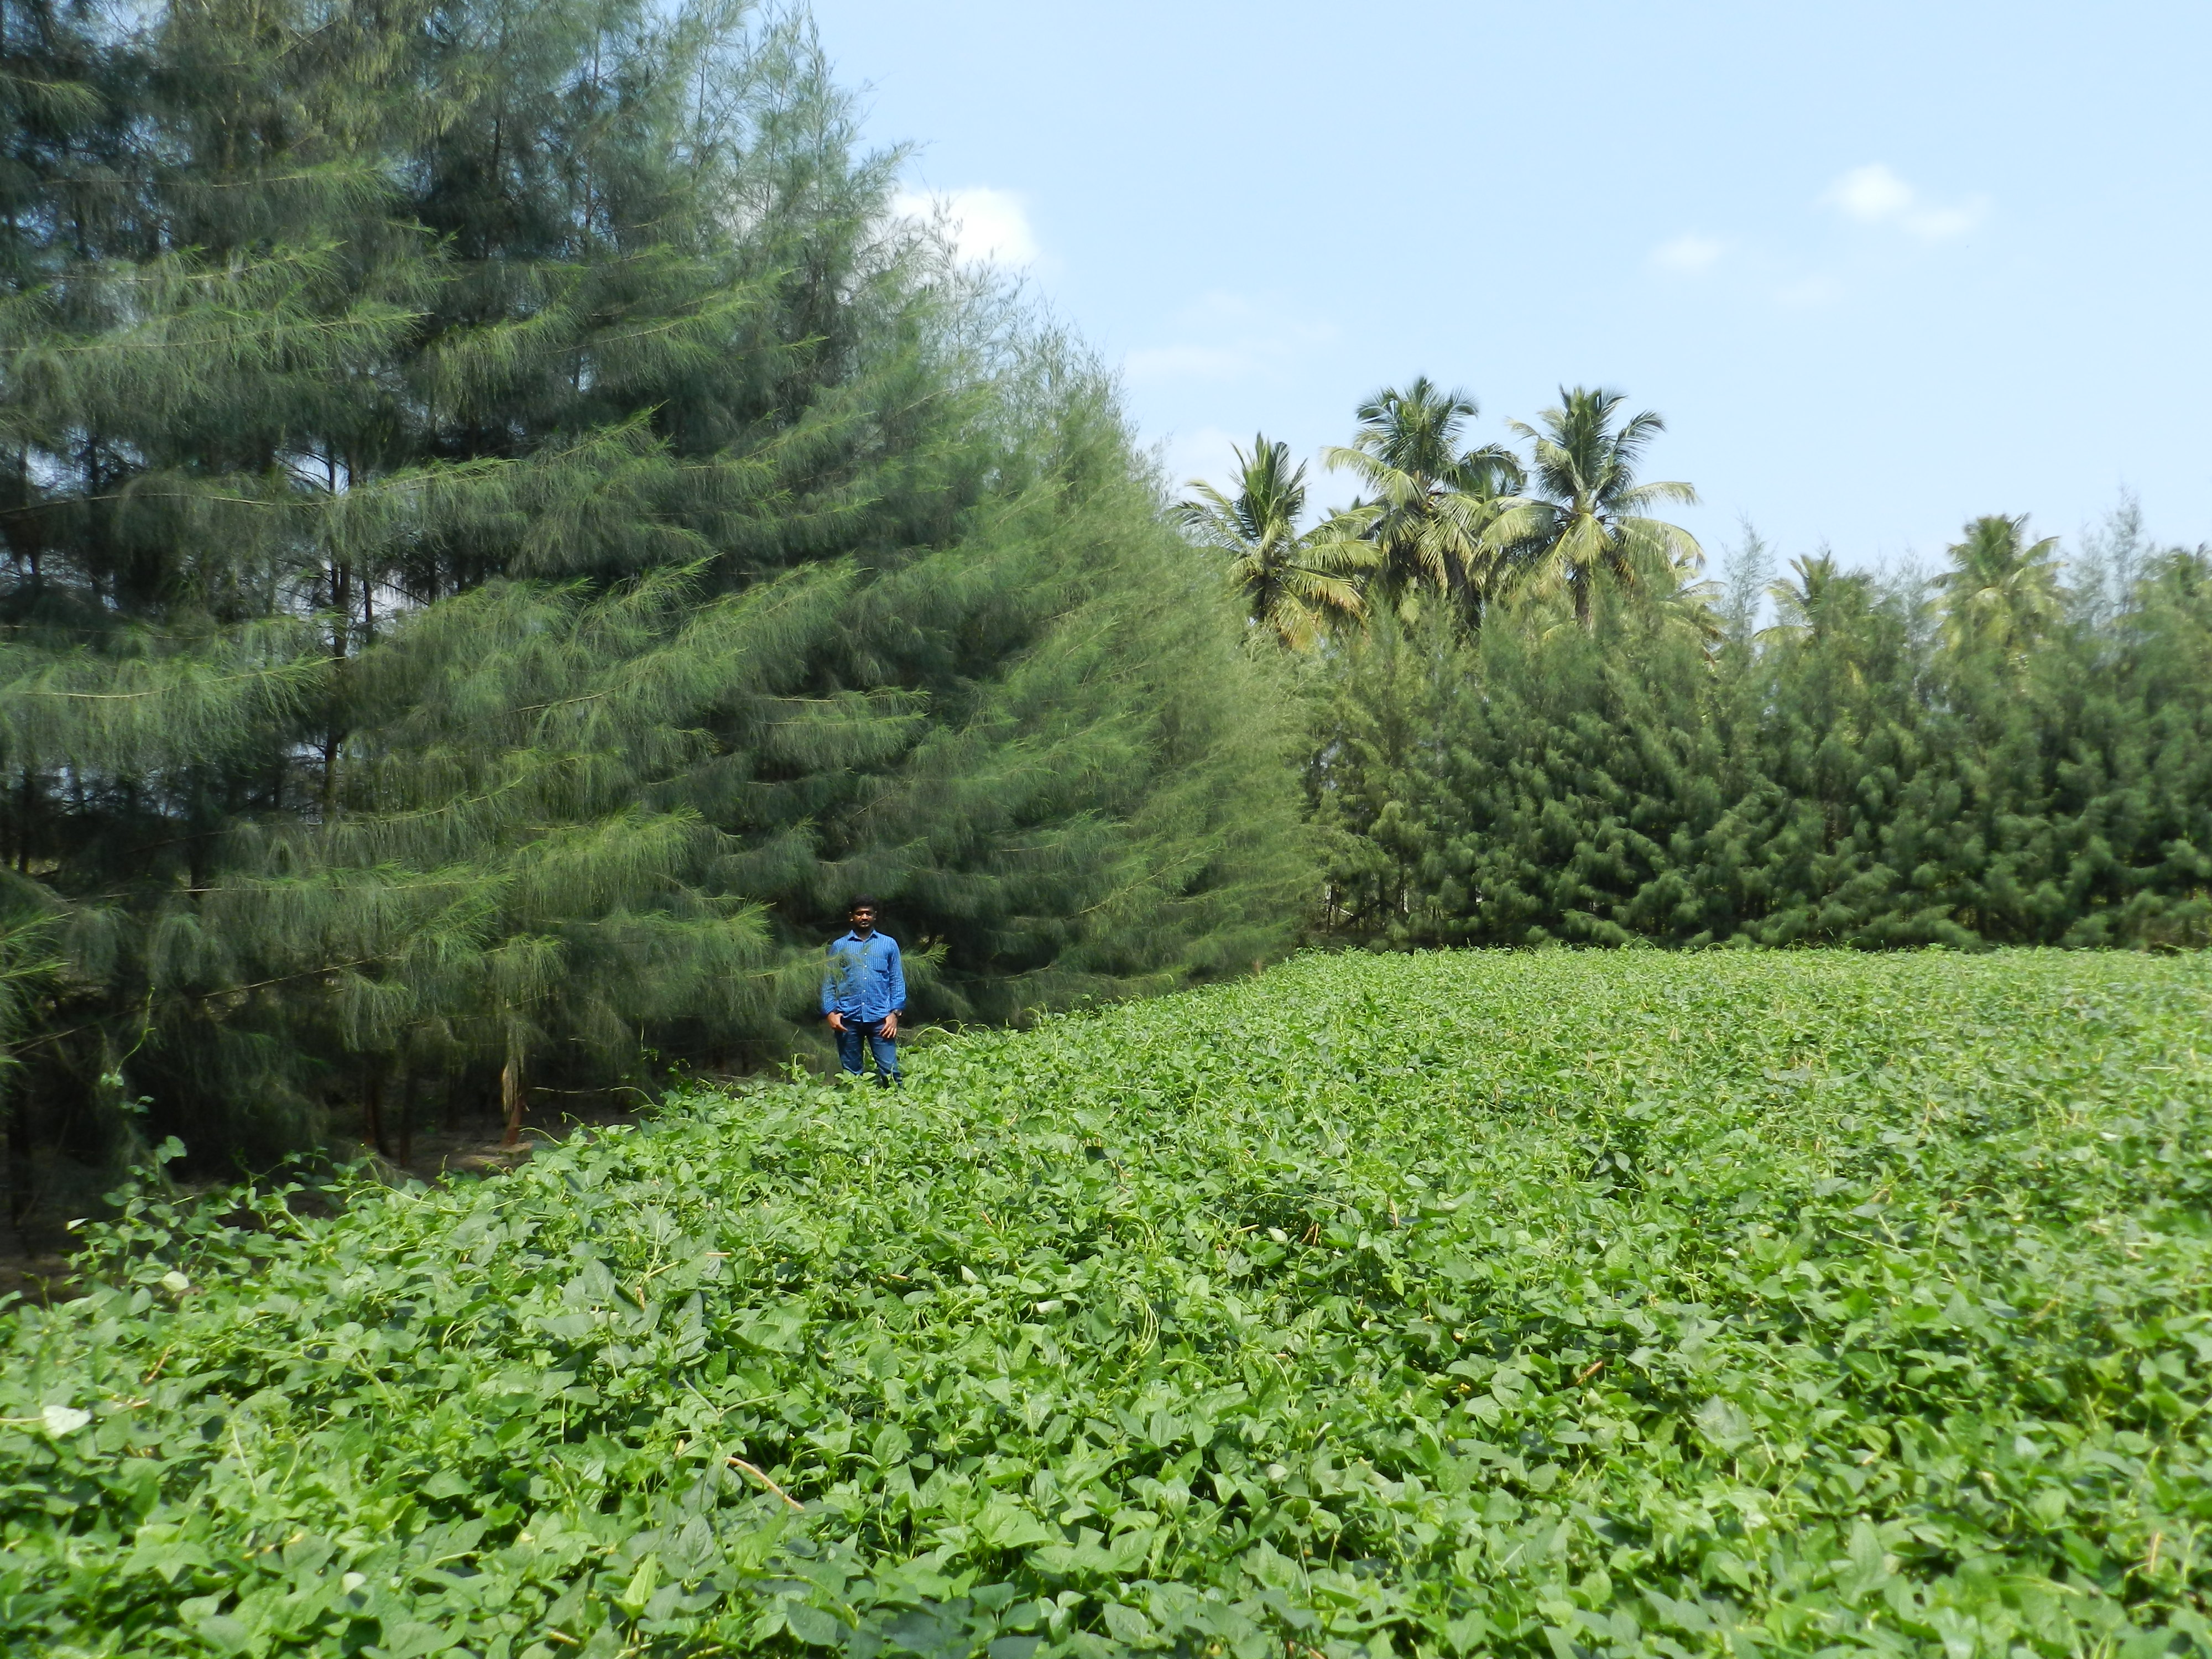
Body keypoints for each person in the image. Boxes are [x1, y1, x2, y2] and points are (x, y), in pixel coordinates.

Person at [822, 896, 905, 1085]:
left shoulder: (888, 944)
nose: (864, 917)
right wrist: (830, 1013)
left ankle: (897, 1109)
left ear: (875, 916)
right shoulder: (840, 946)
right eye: (860, 914)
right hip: (848, 1019)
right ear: (851, 917)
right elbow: (830, 983)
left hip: (881, 1020)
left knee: (890, 1073)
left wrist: (895, 1014)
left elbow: (897, 981)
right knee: (851, 1076)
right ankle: (855, 1111)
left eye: (869, 913)